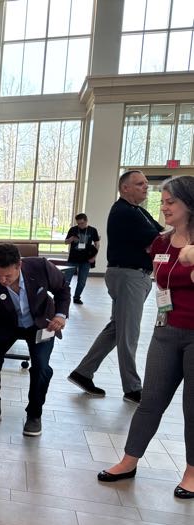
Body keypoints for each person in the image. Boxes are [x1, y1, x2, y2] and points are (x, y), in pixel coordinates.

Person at [96, 176, 194, 499]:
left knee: (192, 407)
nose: (163, 207)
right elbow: (160, 279)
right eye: (162, 202)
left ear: (189, 205)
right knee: (150, 400)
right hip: (166, 330)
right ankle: (129, 459)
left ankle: (192, 472)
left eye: (171, 202)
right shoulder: (162, 242)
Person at [67, 170, 162, 405]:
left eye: (146, 184)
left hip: (132, 275)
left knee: (117, 329)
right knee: (129, 332)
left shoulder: (138, 211)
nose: (145, 187)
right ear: (125, 188)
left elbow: (160, 233)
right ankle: (132, 388)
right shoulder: (124, 212)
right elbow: (158, 241)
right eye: (140, 184)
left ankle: (83, 372)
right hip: (128, 275)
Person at [0, 244, 70, 437]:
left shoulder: (41, 267)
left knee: (42, 367)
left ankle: (34, 415)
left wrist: (60, 315)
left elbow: (62, 289)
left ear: (19, 265)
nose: (2, 280)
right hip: (5, 323)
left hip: (40, 323)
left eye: (7, 276)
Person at [61, 213, 100, 304]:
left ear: (86, 221)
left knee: (82, 281)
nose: (80, 225)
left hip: (86, 260)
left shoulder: (92, 230)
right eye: (78, 223)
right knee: (66, 280)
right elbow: (66, 242)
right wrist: (71, 239)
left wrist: (94, 257)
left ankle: (77, 297)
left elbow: (97, 244)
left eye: (81, 223)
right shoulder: (73, 229)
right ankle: (62, 297)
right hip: (73, 259)